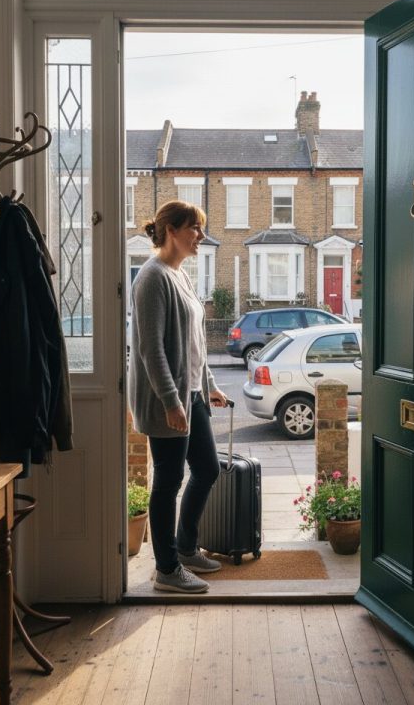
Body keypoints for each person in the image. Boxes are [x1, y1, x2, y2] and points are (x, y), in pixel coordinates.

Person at [128, 200, 230, 593]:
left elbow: (194, 343)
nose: (200, 236)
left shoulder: (180, 275)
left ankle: (186, 548)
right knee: (168, 481)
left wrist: (210, 385)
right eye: (195, 228)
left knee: (207, 469)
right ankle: (166, 569)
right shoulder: (152, 278)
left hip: (192, 393)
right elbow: (150, 349)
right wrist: (171, 402)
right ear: (171, 230)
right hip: (166, 399)